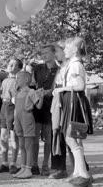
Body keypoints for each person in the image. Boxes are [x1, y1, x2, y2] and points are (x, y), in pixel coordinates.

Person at [52, 37, 93, 187]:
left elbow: (80, 86)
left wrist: (61, 88)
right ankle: (78, 172)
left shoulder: (76, 65)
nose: (65, 51)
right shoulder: (74, 64)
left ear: (74, 50)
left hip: (74, 102)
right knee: (75, 138)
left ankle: (84, 174)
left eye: (67, 48)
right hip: (72, 102)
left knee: (72, 138)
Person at [32, 44, 58, 176]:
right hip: (37, 105)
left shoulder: (59, 69)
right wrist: (37, 93)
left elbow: (60, 87)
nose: (44, 55)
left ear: (54, 53)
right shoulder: (37, 68)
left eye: (46, 52)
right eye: (42, 53)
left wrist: (49, 92)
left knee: (48, 138)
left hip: (51, 106)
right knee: (35, 137)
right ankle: (34, 164)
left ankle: (45, 165)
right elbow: (33, 85)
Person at [12, 71, 44, 179]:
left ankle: (28, 169)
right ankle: (23, 167)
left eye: (18, 78)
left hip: (28, 119)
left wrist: (42, 97)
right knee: (21, 145)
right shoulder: (18, 92)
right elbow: (16, 108)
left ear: (26, 80)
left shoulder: (31, 92)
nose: (16, 80)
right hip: (18, 120)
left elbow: (38, 106)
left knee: (28, 145)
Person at [0, 58, 23, 174]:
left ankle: (13, 163)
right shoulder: (4, 80)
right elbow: (1, 94)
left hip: (12, 107)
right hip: (4, 107)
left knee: (13, 136)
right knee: (3, 136)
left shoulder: (19, 81)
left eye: (13, 64)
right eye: (9, 63)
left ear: (19, 68)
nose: (10, 65)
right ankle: (4, 163)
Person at [49, 40, 69, 179]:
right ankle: (59, 168)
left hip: (66, 104)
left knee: (70, 136)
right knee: (57, 135)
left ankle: (81, 168)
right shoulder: (60, 68)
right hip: (57, 105)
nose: (54, 55)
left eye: (56, 51)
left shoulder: (71, 66)